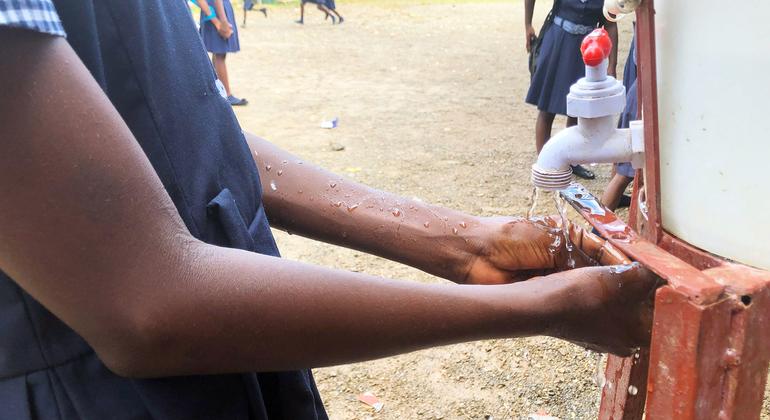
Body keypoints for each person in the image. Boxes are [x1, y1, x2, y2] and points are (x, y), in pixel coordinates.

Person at [0, 0, 658, 418]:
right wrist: (547, 307)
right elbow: (145, 301)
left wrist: (465, 242)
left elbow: (177, 131)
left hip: (233, 347)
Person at [525, 0, 618, 180]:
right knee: (547, 108)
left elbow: (610, 25)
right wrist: (528, 24)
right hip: (557, 41)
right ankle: (545, 166)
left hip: (587, 50)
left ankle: (572, 162)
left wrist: (611, 65)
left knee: (577, 110)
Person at [600, 31, 637, 210]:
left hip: (638, 92)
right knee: (624, 173)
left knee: (624, 167)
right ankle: (596, 234)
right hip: (643, 98)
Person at [198, 0, 249, 106]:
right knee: (220, 54)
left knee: (217, 53)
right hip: (218, 10)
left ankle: (217, 90)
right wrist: (222, 21)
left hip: (211, 10)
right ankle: (226, 94)